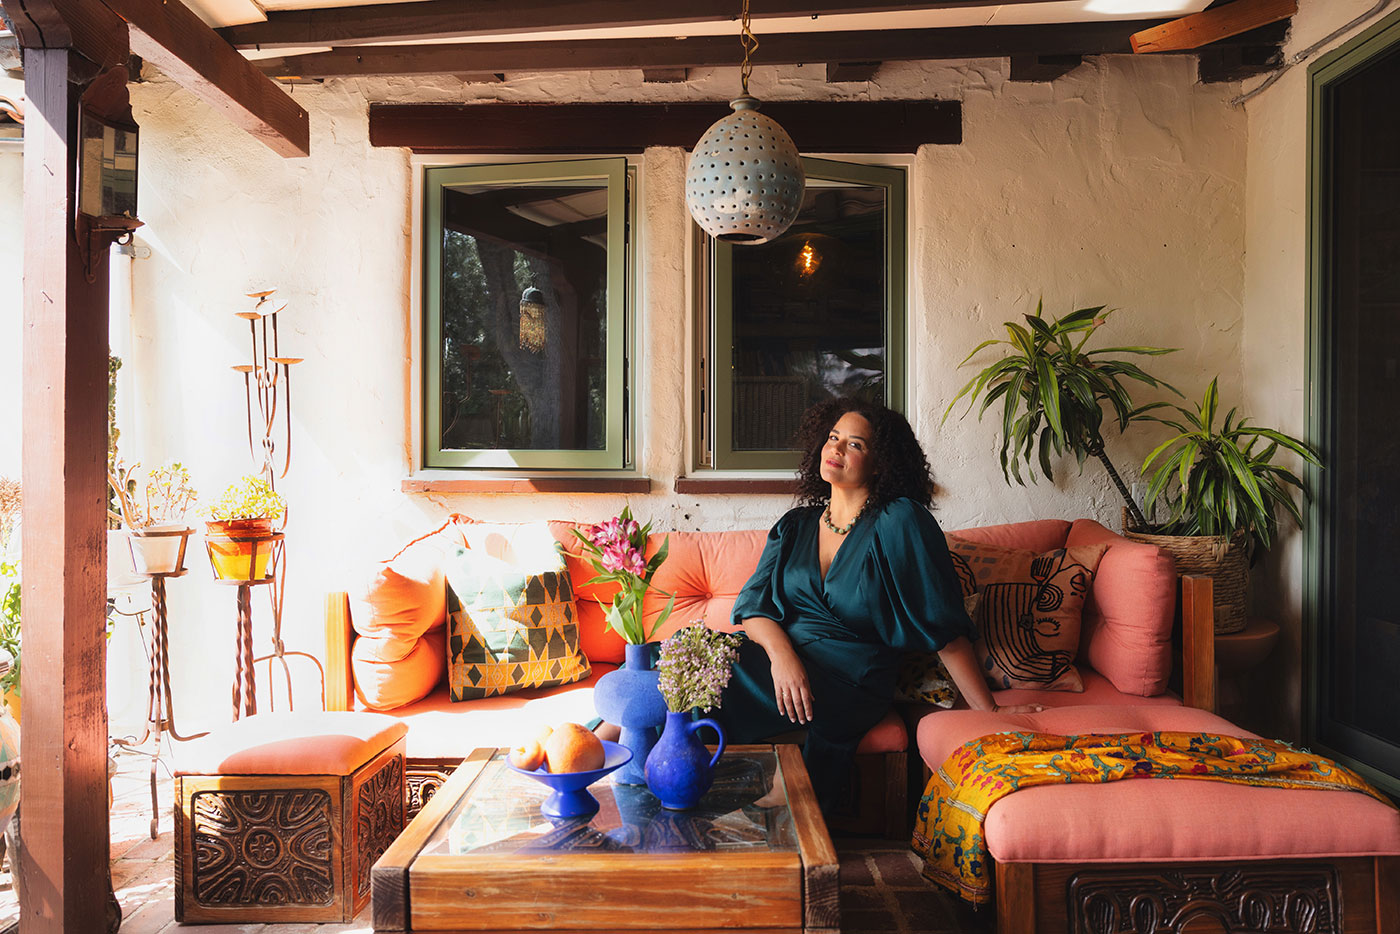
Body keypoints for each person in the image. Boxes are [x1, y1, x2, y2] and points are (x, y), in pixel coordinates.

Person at [714, 396, 1040, 813]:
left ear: (880, 462)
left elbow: (941, 623)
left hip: (851, 678)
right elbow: (755, 607)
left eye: (856, 444)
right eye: (833, 438)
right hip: (782, 664)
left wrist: (989, 709)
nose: (836, 449)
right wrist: (783, 658)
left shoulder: (899, 521)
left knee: (682, 682)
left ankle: (762, 815)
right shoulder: (794, 526)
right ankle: (674, 797)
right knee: (678, 661)